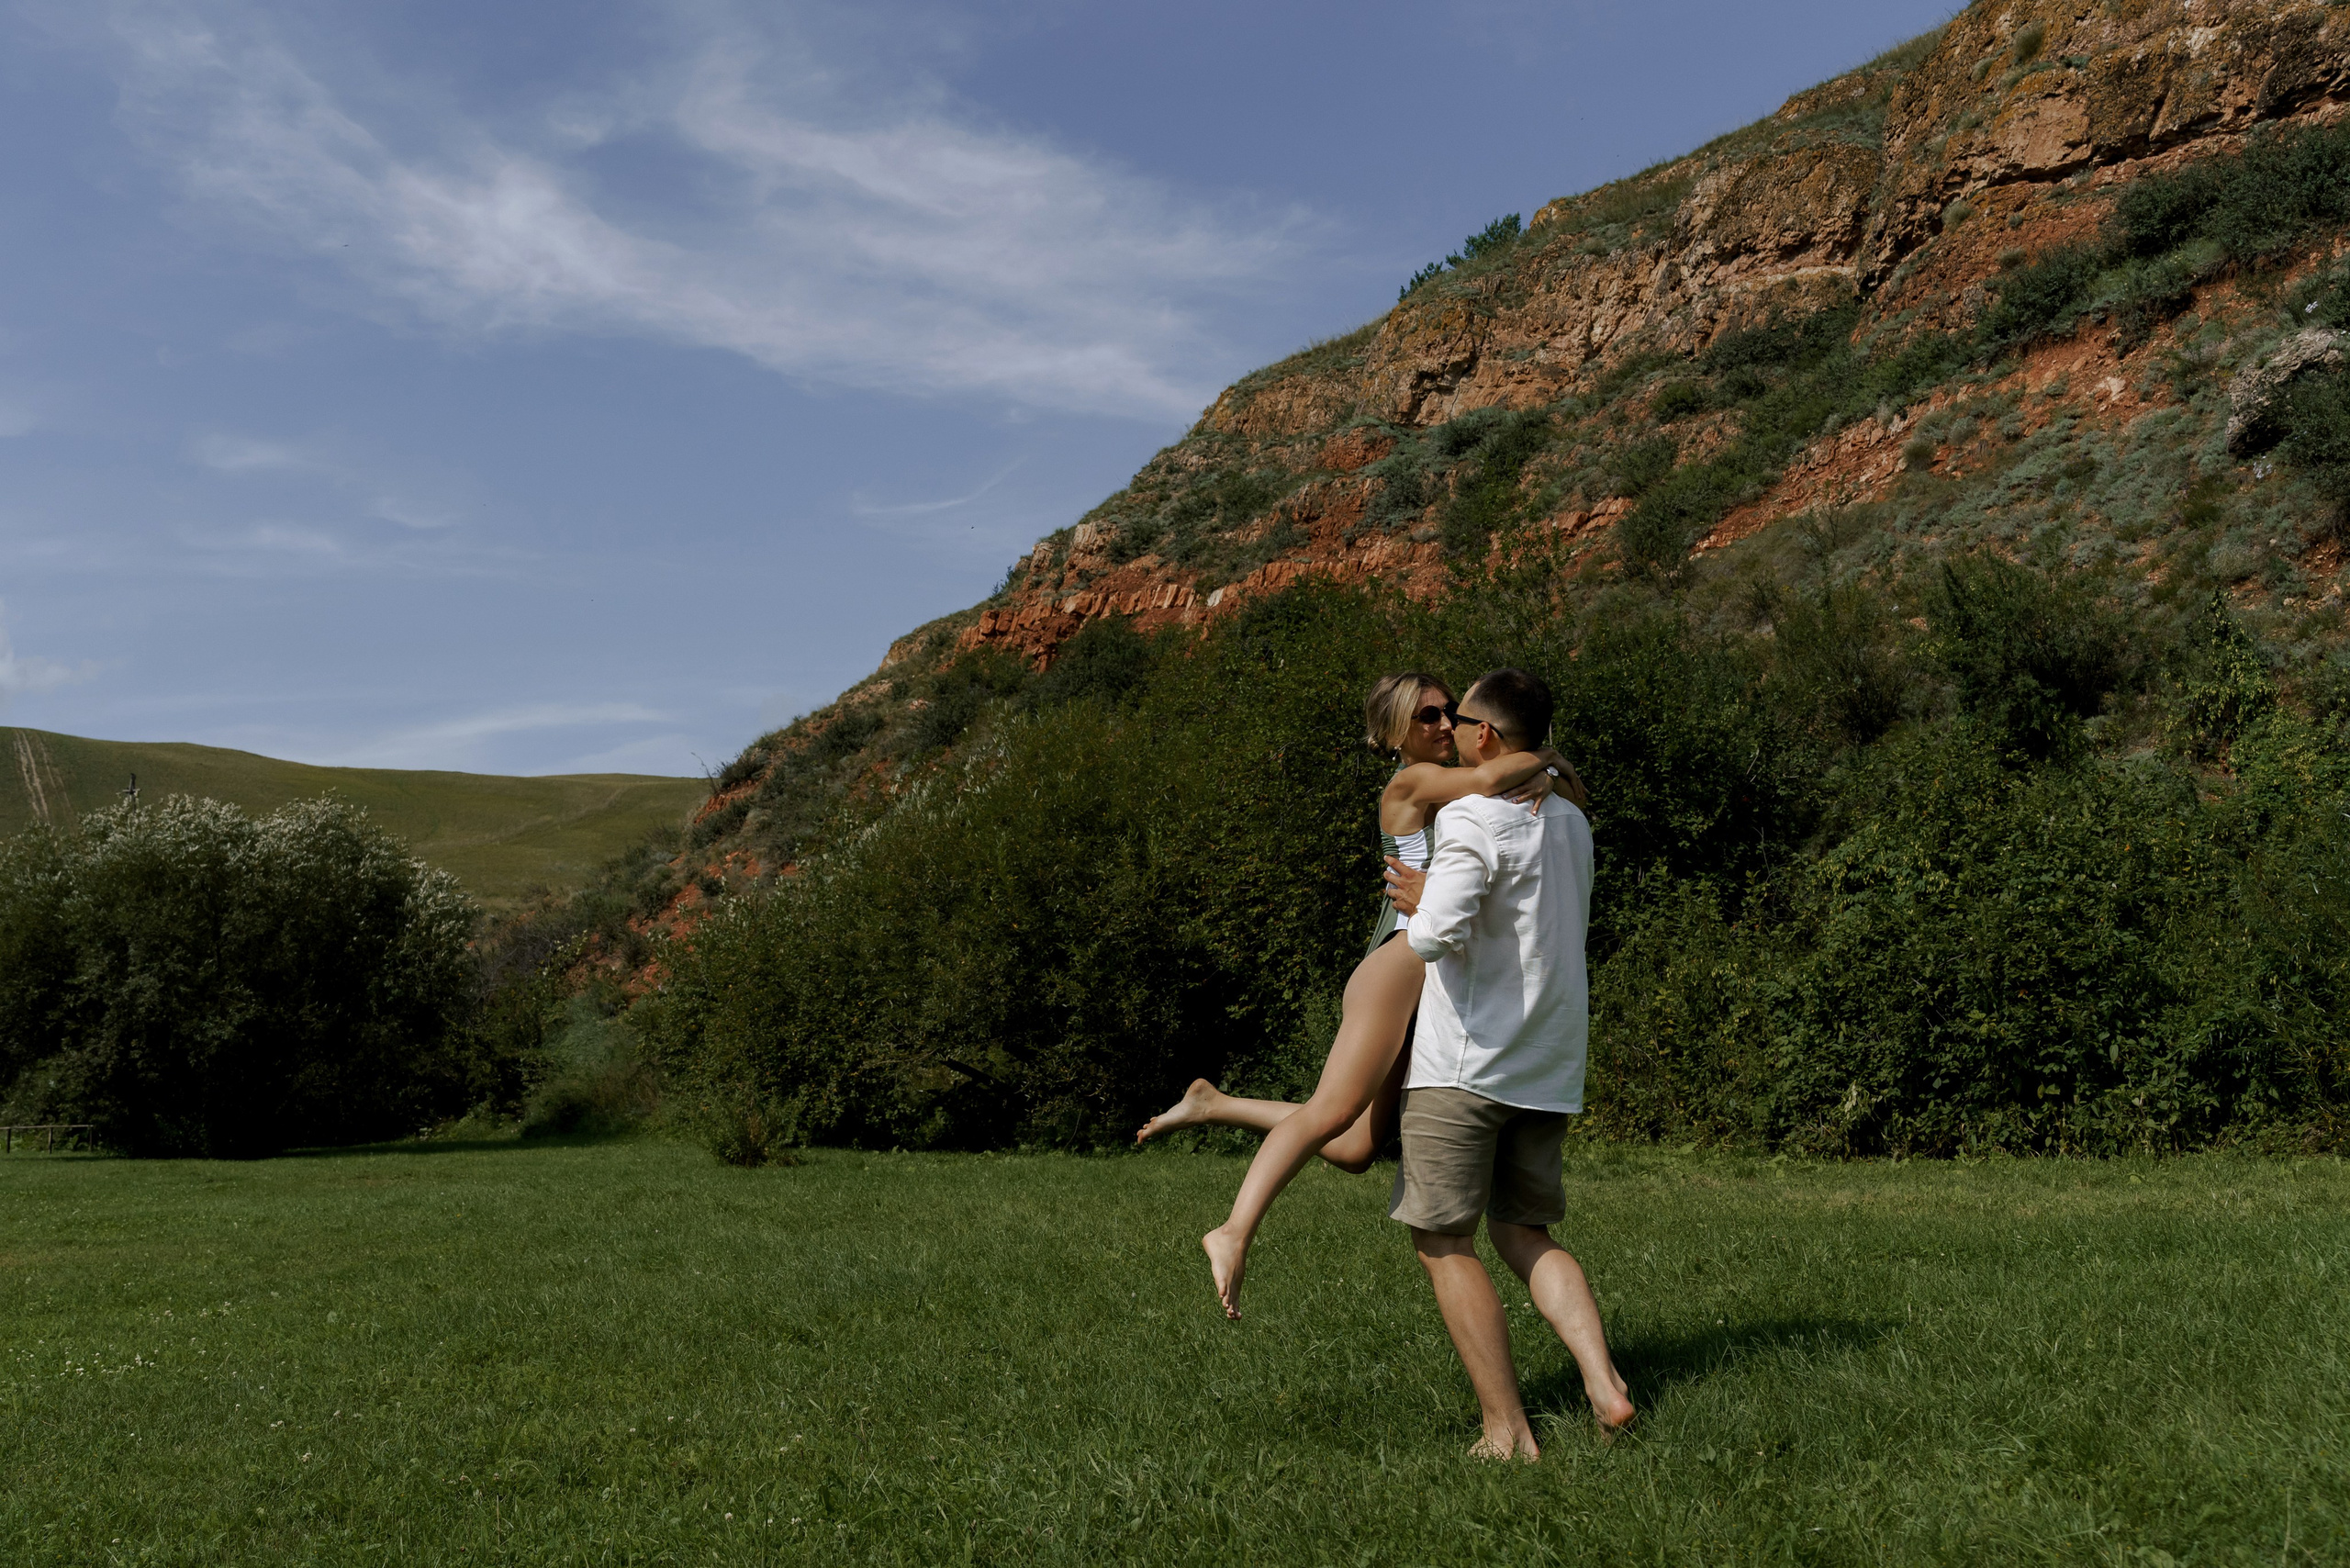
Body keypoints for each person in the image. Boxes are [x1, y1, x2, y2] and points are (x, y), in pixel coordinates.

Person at [1136, 671, 1583, 1319]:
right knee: (1331, 1112)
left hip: (1440, 972)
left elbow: (1554, 795)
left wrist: (1543, 770)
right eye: (1425, 715)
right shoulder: (1412, 782)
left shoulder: (1477, 780)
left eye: (1446, 712)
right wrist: (1542, 757)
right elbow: (1492, 780)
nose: (1440, 724)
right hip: (1400, 961)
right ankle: (1232, 1231)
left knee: (1351, 1149)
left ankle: (1214, 1103)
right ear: (1393, 733)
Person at [1381, 667, 1633, 1458]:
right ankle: (1604, 1383)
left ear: (1485, 735)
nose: (1448, 727)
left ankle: (1507, 1430)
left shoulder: (1474, 820)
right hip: (1548, 1063)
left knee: (1443, 1240)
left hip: (1465, 1065)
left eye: (1458, 718)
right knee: (1525, 1229)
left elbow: (1433, 938)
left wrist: (1422, 902)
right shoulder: (1573, 823)